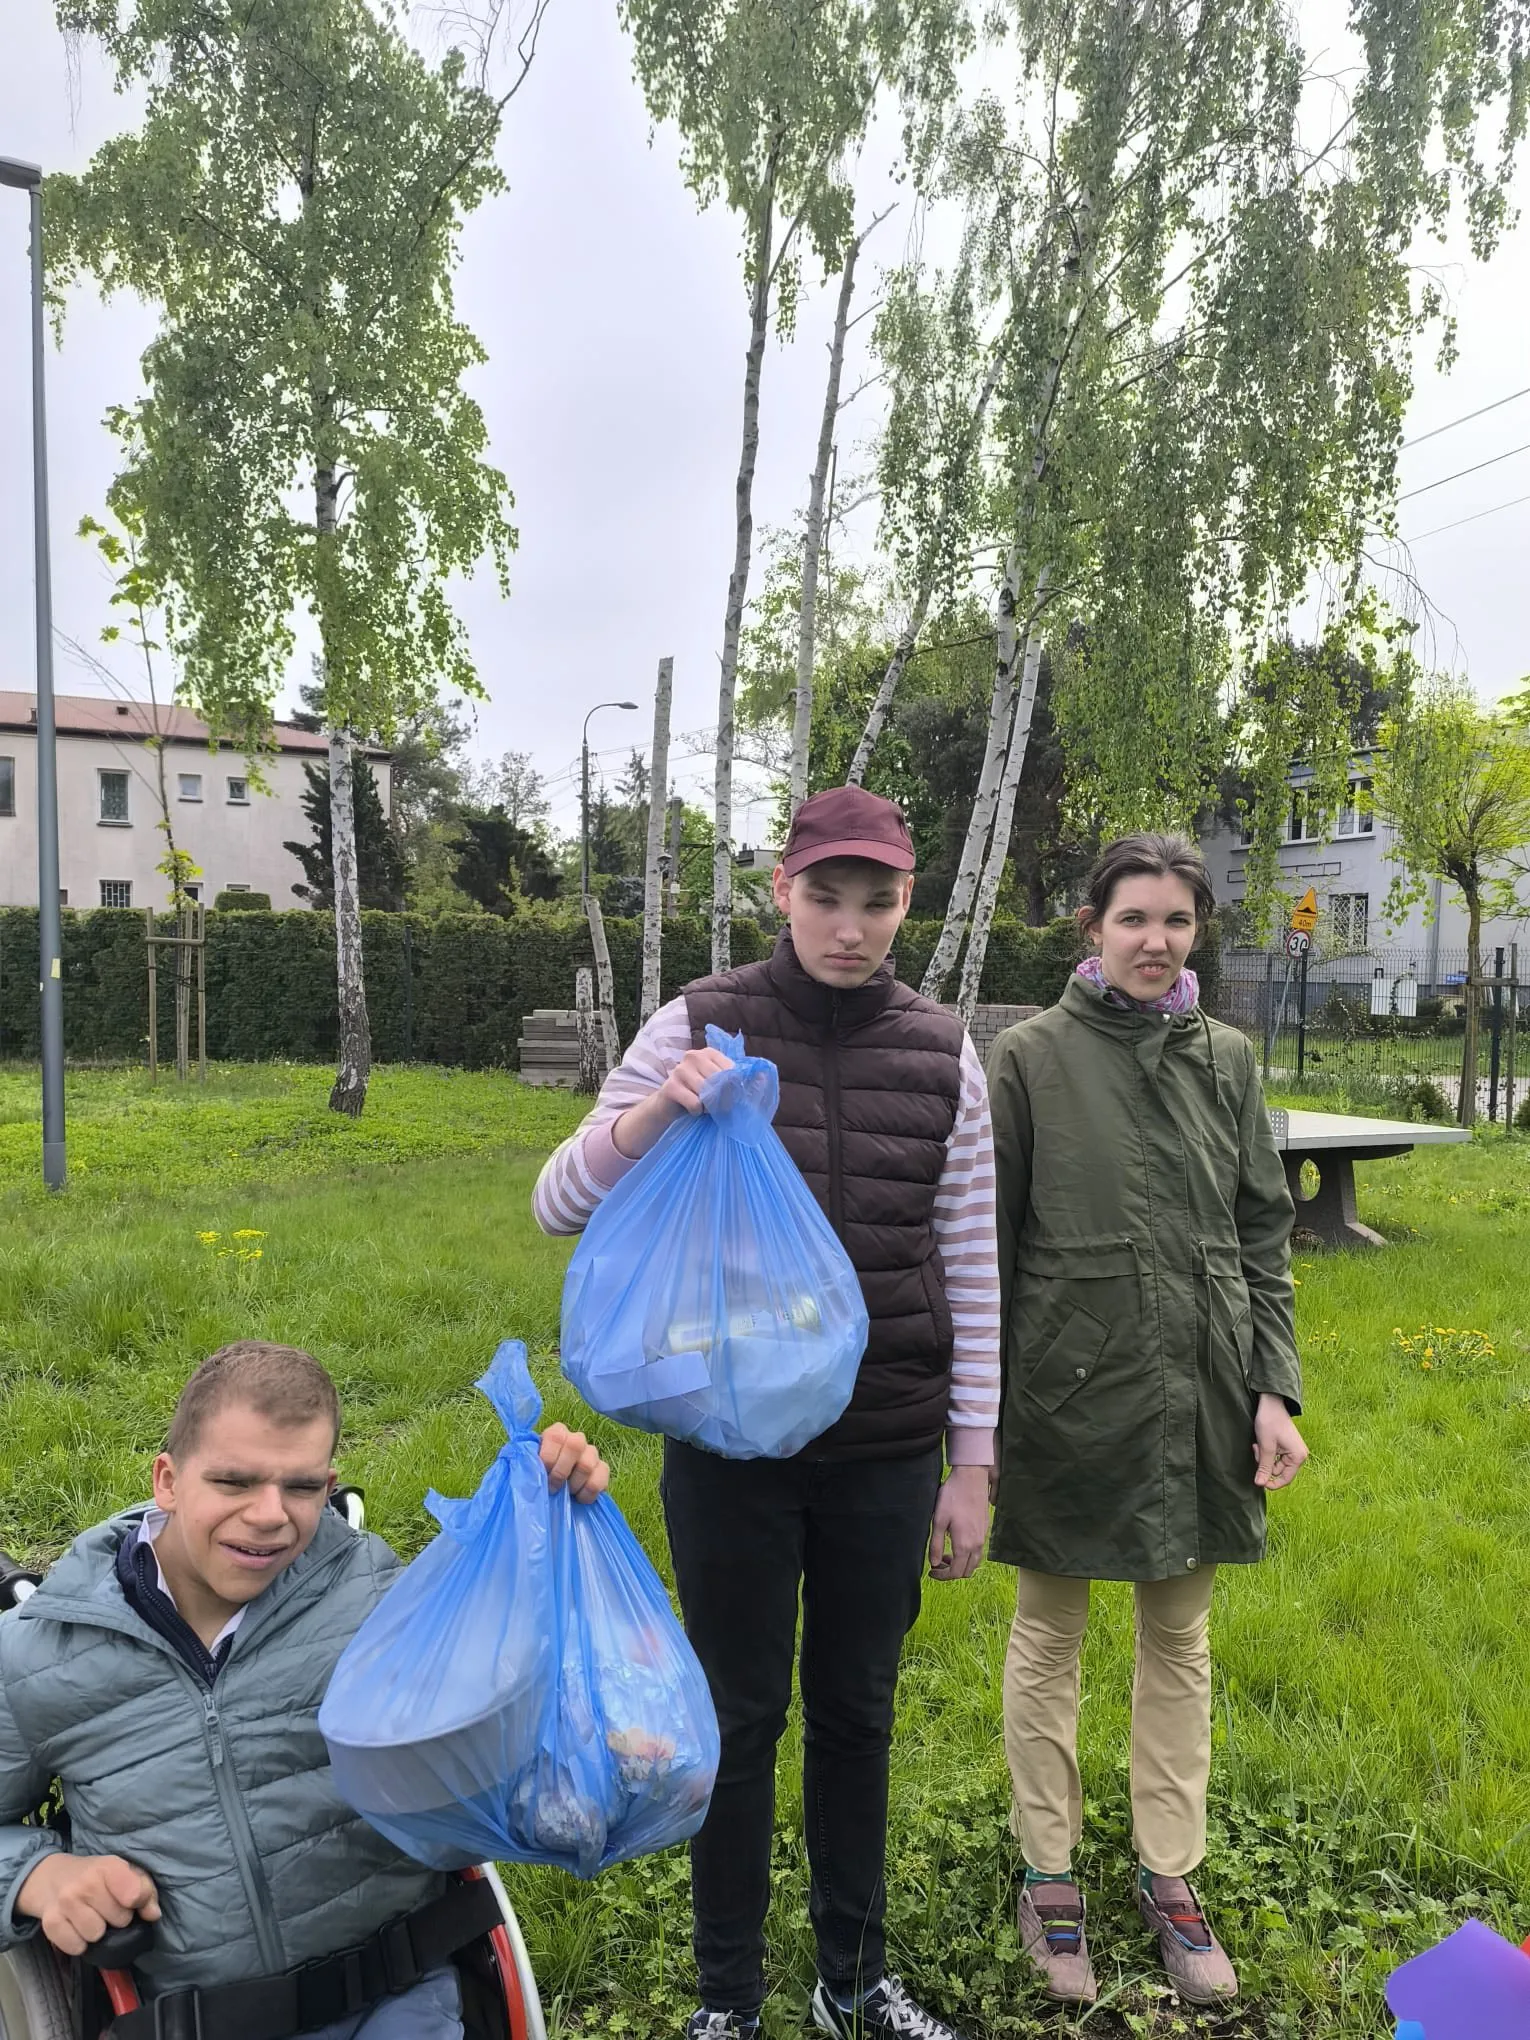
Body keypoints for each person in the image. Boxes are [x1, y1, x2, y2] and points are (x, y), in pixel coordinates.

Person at [534, 784, 1001, 2040]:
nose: (850, 928)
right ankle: (726, 1998)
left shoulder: (942, 1049)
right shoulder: (700, 1022)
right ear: (781, 891)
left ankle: (855, 1982)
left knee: (858, 1717)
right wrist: (656, 1111)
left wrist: (971, 1464)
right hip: (730, 1445)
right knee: (737, 1721)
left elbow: (971, 1266)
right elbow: (557, 1202)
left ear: (907, 902)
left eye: (877, 902)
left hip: (886, 1445)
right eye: (824, 897)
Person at [0, 1338, 609, 2040]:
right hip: (190, 2020)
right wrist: (37, 1879)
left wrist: (541, 1526)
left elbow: (503, 1709)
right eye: (234, 1482)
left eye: (300, 1487)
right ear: (167, 1479)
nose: (269, 1515)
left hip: (398, 1994)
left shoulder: (374, 1596)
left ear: (329, 1484)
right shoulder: (41, 1656)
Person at [985, 833, 1308, 2010]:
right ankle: (1049, 1873)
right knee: (1049, 1635)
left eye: (1176, 920)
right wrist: (980, 1422)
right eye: (1133, 918)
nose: (1155, 940)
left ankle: (1170, 1873)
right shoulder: (1029, 1058)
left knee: (1180, 1637)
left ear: (1196, 930)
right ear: (1092, 927)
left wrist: (1272, 1388)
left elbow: (1262, 1228)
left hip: (1206, 1388)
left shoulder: (1227, 1057)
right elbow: (986, 1246)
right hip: (1066, 1393)